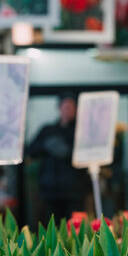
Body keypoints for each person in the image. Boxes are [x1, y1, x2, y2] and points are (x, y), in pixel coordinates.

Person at [27, 93, 89, 224]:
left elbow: (87, 156)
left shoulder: (81, 130)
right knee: (51, 228)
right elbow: (31, 151)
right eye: (65, 107)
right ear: (59, 108)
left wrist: (68, 152)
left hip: (75, 191)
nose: (68, 110)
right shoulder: (48, 130)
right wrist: (45, 145)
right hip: (50, 192)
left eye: (71, 107)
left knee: (75, 228)